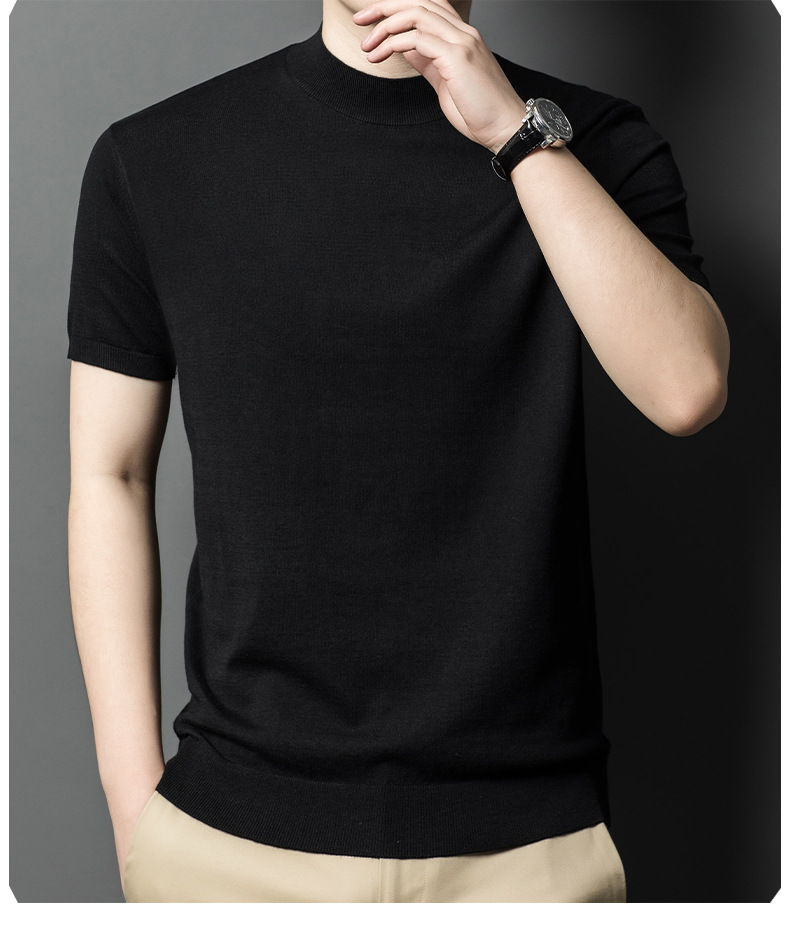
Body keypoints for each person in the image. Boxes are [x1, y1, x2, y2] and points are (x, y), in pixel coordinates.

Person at [65, 0, 729, 903]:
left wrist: (514, 135)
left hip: (525, 851)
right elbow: (110, 473)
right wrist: (131, 806)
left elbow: (687, 388)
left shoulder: (595, 141)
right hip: (227, 842)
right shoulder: (156, 155)